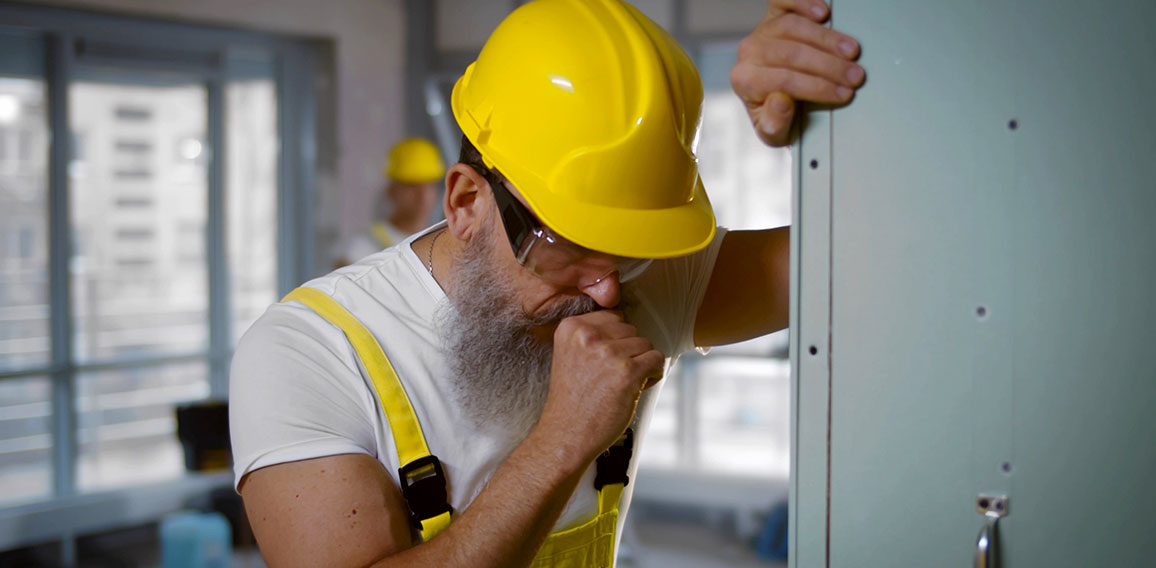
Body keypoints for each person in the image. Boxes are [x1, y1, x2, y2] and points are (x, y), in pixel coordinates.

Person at [229, 0, 864, 566]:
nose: (610, 292)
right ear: (467, 201)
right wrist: (562, 441)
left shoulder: (637, 281)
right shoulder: (308, 354)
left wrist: (828, 99)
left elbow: (877, 262)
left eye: (634, 255)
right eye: (573, 251)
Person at [334, 138, 446, 266]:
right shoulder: (360, 249)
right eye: (412, 185)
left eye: (429, 185)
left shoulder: (442, 244)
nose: (423, 195)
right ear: (392, 191)